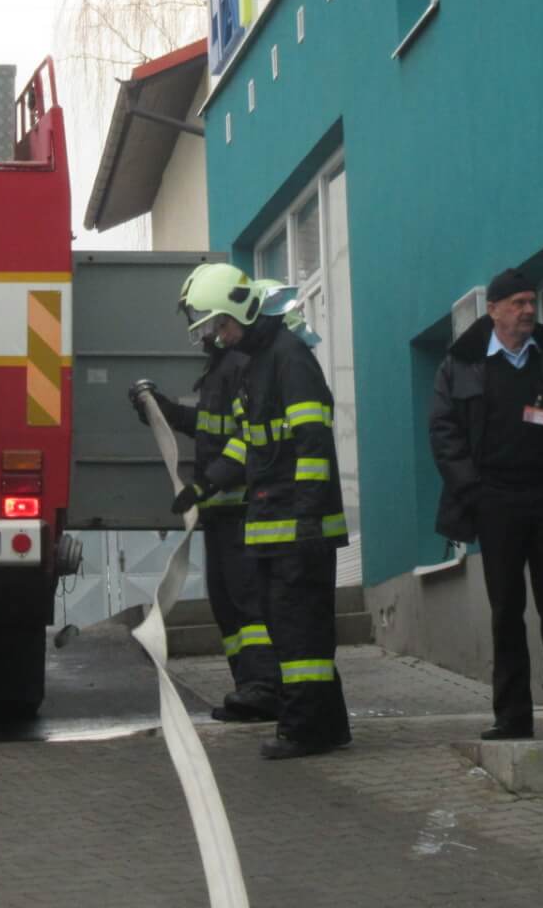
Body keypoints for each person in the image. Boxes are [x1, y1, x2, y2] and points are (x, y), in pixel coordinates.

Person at [174, 264, 350, 760]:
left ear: (239, 311)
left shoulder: (288, 357)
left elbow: (312, 441)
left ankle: (302, 729)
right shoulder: (256, 363)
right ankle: (327, 724)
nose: (219, 336)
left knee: (299, 633)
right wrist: (205, 485)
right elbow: (247, 445)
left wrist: (309, 516)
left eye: (221, 325)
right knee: (292, 629)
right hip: (274, 523)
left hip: (299, 526)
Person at [428, 267, 543, 740]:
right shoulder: (461, 363)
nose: (529, 310)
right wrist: (473, 492)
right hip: (495, 503)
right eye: (518, 303)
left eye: (532, 302)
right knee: (506, 611)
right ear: (492, 310)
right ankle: (513, 717)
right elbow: (444, 432)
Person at [130, 318, 281, 724]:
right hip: (221, 512)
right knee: (226, 604)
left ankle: (265, 687)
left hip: (242, 508)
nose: (201, 335)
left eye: (206, 324)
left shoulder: (240, 365)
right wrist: (165, 412)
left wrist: (205, 485)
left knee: (247, 604)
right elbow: (211, 427)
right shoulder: (221, 370)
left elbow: (245, 439)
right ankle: (248, 686)